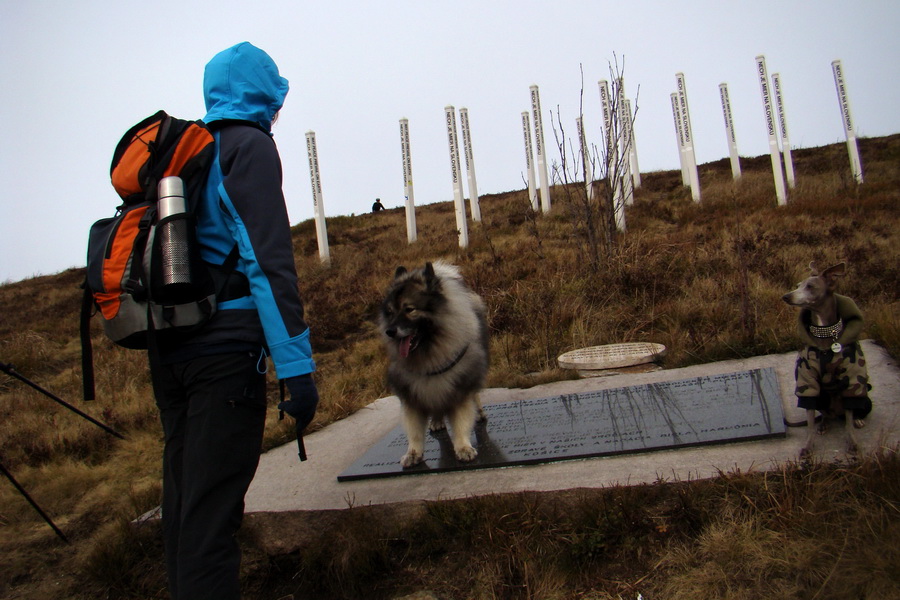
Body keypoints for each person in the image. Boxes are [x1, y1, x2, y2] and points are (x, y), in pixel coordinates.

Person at [148, 42, 319, 600]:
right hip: (225, 362)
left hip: (171, 355)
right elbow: (268, 264)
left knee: (186, 510)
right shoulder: (248, 147)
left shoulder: (187, 152)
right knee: (213, 521)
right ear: (263, 90)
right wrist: (297, 369)